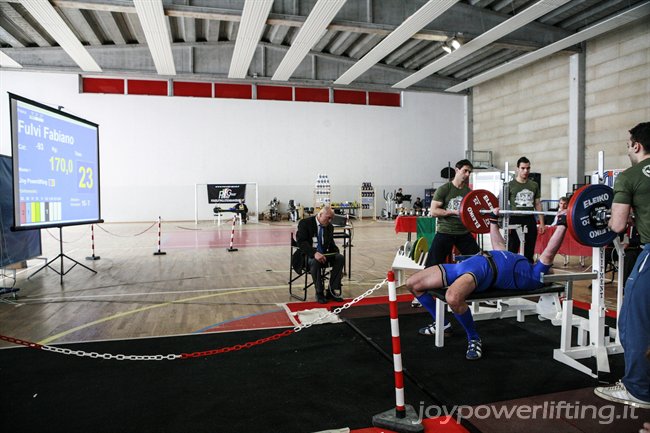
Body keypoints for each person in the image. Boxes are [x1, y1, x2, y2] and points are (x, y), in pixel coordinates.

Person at [407, 212, 569, 360]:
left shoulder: (534, 277)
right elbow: (498, 244)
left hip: (481, 273)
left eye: (549, 269)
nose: (549, 267)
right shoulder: (517, 258)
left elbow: (549, 252)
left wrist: (562, 224)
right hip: (463, 266)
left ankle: (474, 338)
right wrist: (493, 221)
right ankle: (442, 324)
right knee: (412, 284)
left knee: (453, 297)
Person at [595, 122, 650, 410]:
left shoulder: (629, 177)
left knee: (633, 321)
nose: (628, 148)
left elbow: (616, 224)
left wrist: (611, 219)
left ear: (636, 146)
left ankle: (638, 390)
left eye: (629, 144)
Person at [412, 160, 481, 324]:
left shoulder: (468, 192)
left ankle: (476, 293)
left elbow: (473, 212)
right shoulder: (445, 189)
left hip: (463, 233)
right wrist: (451, 212)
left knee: (479, 260)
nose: (467, 175)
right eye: (465, 171)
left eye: (469, 172)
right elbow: (433, 210)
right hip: (445, 232)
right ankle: (423, 295)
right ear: (457, 170)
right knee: (432, 266)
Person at [295, 205, 345, 304]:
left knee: (340, 258)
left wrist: (336, 254)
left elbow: (331, 244)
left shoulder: (329, 227)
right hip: (308, 255)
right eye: (328, 218)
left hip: (324, 254)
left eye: (332, 218)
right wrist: (314, 253)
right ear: (321, 214)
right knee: (315, 261)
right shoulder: (305, 223)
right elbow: (301, 242)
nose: (330, 221)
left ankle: (331, 290)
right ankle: (319, 292)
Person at [506, 156, 546, 262]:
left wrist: (542, 223)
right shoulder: (510, 185)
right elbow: (502, 203)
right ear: (518, 168)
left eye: (528, 168)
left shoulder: (534, 185)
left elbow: (537, 204)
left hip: (529, 219)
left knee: (529, 249)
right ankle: (511, 270)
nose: (525, 171)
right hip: (515, 219)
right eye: (523, 168)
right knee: (512, 248)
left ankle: (528, 271)